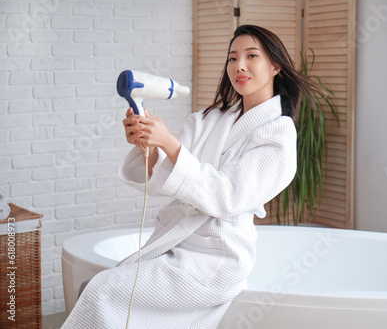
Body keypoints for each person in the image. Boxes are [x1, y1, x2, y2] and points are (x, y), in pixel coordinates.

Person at [62, 24, 315, 328]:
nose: (239, 66)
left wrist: (169, 143)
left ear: (275, 66)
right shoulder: (207, 120)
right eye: (232, 58)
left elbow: (227, 196)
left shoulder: (279, 134)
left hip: (217, 259)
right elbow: (164, 177)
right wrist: (149, 144)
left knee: (103, 292)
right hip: (174, 242)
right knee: (95, 289)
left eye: (251, 56)